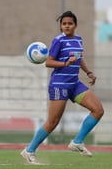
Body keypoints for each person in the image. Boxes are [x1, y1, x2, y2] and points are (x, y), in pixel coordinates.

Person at [21, 11, 104, 165]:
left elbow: (79, 59)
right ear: (61, 26)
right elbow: (48, 62)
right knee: (53, 122)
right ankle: (29, 151)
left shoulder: (78, 40)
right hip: (59, 85)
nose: (66, 26)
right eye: (64, 24)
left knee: (98, 110)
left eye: (70, 23)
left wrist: (89, 72)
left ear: (75, 25)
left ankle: (77, 142)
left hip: (75, 83)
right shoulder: (58, 41)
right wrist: (65, 63)